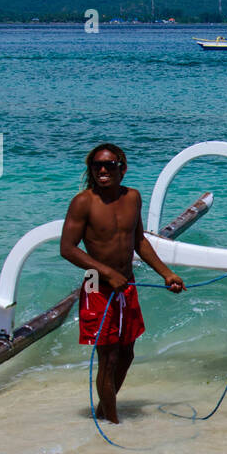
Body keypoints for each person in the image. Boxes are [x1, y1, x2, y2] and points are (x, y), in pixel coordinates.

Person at [60, 143, 184, 424]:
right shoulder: (84, 202)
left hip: (126, 285)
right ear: (91, 170)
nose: (103, 170)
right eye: (97, 166)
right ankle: (112, 425)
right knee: (109, 356)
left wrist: (166, 273)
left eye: (110, 165)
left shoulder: (133, 198)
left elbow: (139, 241)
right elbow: (67, 248)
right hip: (97, 287)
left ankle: (104, 413)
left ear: (122, 168)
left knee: (127, 352)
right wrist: (106, 273)